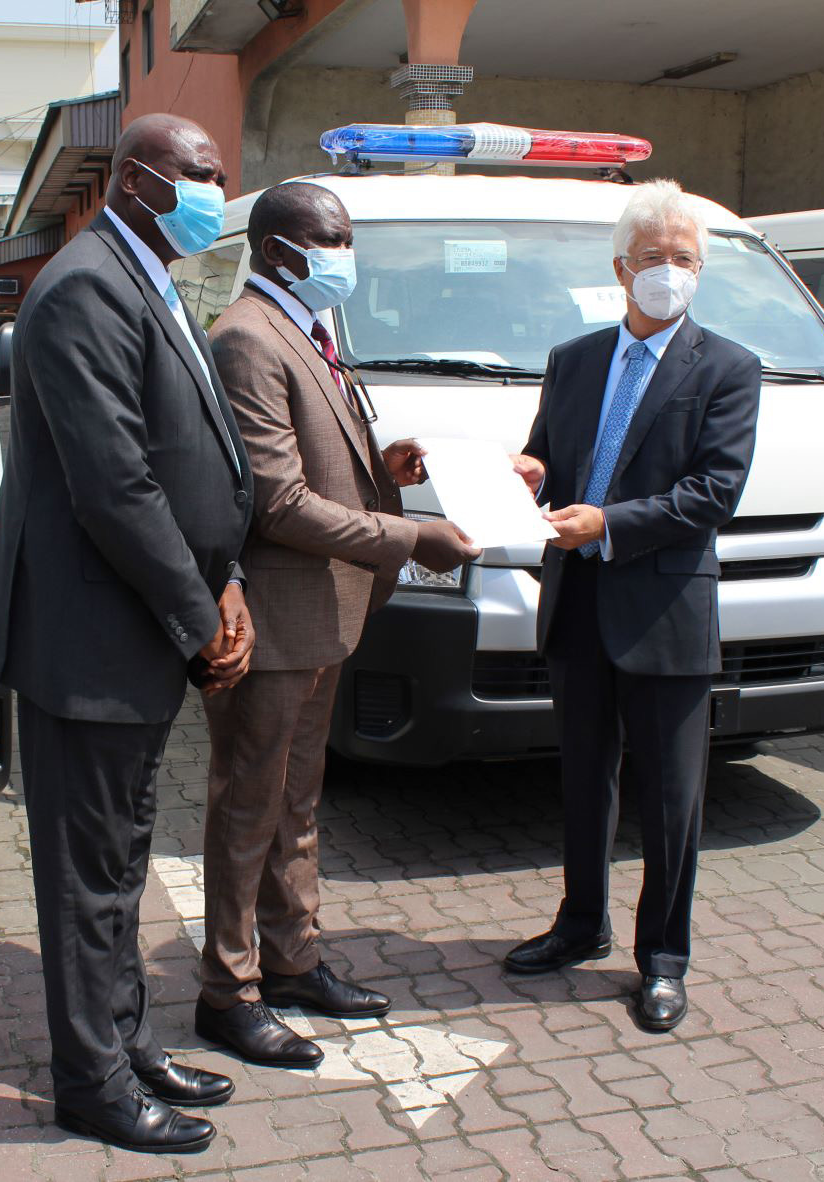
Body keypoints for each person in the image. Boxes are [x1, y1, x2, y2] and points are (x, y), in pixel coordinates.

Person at [0, 114, 255, 1154]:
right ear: (137, 180)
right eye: (201, 174)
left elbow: (194, 452)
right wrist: (198, 616)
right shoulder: (87, 284)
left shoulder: (147, 273)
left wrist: (223, 580)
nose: (217, 191)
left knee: (122, 860)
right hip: (88, 641)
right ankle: (89, 1081)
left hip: (133, 628)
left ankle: (123, 1041)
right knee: (91, 876)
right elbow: (116, 485)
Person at [200, 182, 480, 1065]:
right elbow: (279, 502)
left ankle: (290, 959)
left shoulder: (310, 330)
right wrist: (411, 535)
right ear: (279, 249)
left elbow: (324, 465)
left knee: (297, 802)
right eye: (333, 240)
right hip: (275, 622)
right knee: (250, 805)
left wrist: (384, 472)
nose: (344, 257)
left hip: (322, 618)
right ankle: (227, 989)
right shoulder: (248, 337)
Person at [508, 179, 761, 1033]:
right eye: (654, 259)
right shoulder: (573, 360)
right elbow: (549, 457)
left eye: (684, 261)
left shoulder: (727, 367)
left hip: (664, 614)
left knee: (670, 799)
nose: (669, 273)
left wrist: (608, 523)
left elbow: (712, 493)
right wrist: (532, 474)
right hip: (577, 605)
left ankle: (662, 960)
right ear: (621, 267)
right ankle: (580, 925)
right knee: (583, 782)